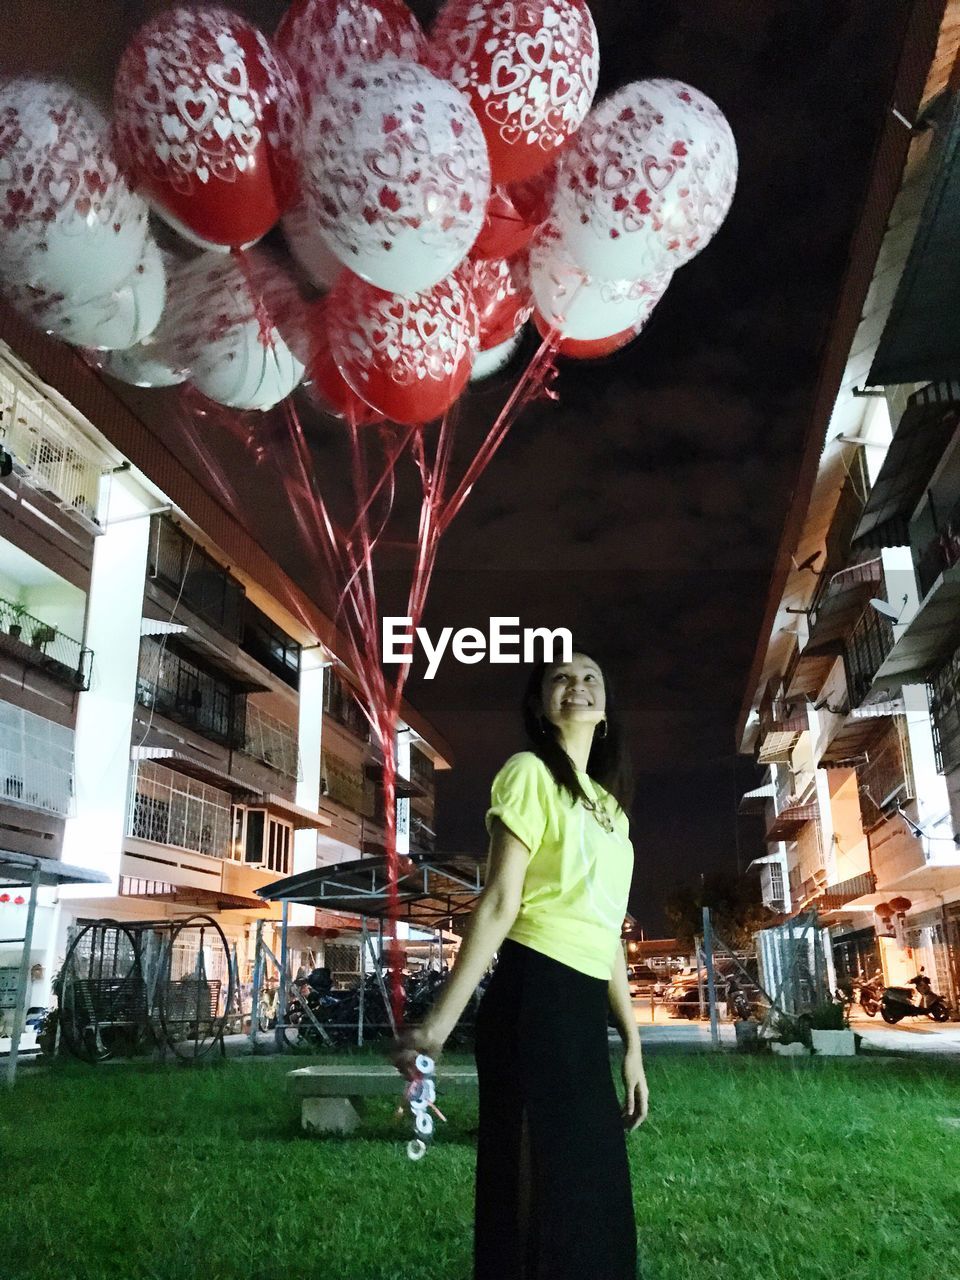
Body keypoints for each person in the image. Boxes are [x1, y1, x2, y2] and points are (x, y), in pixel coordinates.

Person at [393, 646, 647, 1280]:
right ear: (539, 705)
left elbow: (607, 931)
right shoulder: (529, 773)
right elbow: (502, 899)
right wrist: (435, 1029)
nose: (577, 686)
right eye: (560, 679)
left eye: (591, 677)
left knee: (593, 1184)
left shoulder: (612, 813)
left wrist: (633, 1043)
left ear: (606, 707)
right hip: (533, 994)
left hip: (582, 1011)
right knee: (533, 1180)